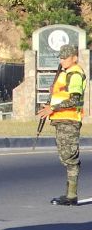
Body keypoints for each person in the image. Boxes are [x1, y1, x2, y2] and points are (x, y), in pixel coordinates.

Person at [38, 44, 84, 206]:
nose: (62, 60)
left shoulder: (75, 74)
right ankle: (70, 194)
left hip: (69, 120)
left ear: (74, 58)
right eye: (61, 57)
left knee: (70, 157)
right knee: (65, 157)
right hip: (61, 120)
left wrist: (52, 108)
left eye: (65, 57)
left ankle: (71, 195)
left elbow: (76, 99)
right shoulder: (65, 74)